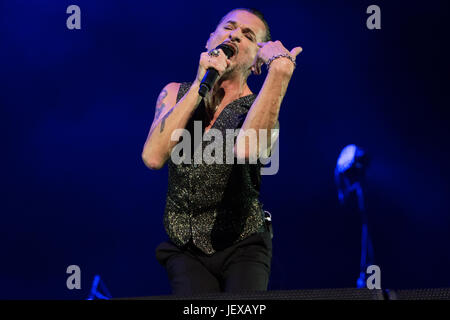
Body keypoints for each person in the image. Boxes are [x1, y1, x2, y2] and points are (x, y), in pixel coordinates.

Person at [142, 8, 302, 295]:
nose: (234, 35)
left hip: (243, 244)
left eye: (247, 35)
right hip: (186, 247)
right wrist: (200, 85)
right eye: (229, 27)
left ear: (256, 63)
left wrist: (279, 72)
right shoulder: (175, 92)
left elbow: (247, 150)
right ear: (210, 40)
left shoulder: (260, 108)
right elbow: (153, 157)